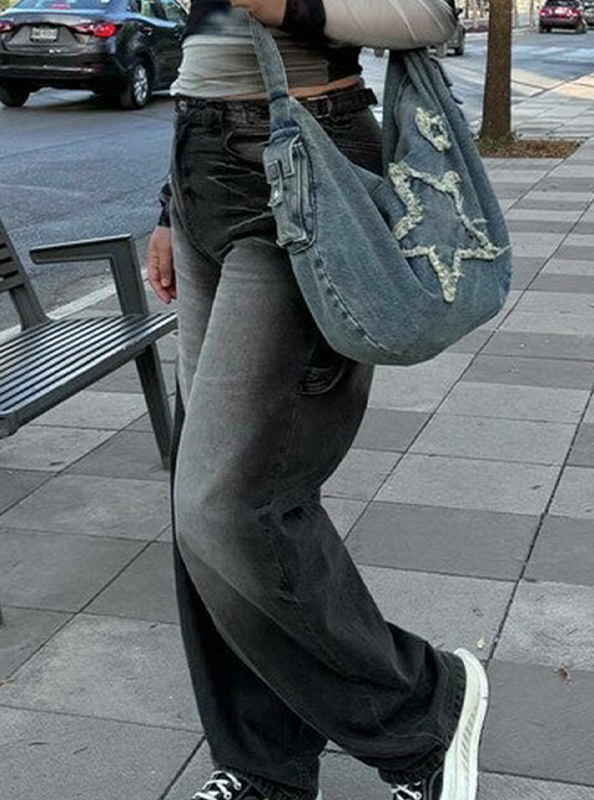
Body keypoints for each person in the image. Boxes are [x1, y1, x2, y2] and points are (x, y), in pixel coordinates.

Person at [147, 3, 489, 800]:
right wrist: (167, 207)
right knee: (200, 501)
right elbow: (209, 42)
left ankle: (424, 710)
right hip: (201, 163)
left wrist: (287, 6)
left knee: (229, 504)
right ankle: (264, 765)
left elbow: (430, 15)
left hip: (304, 165)